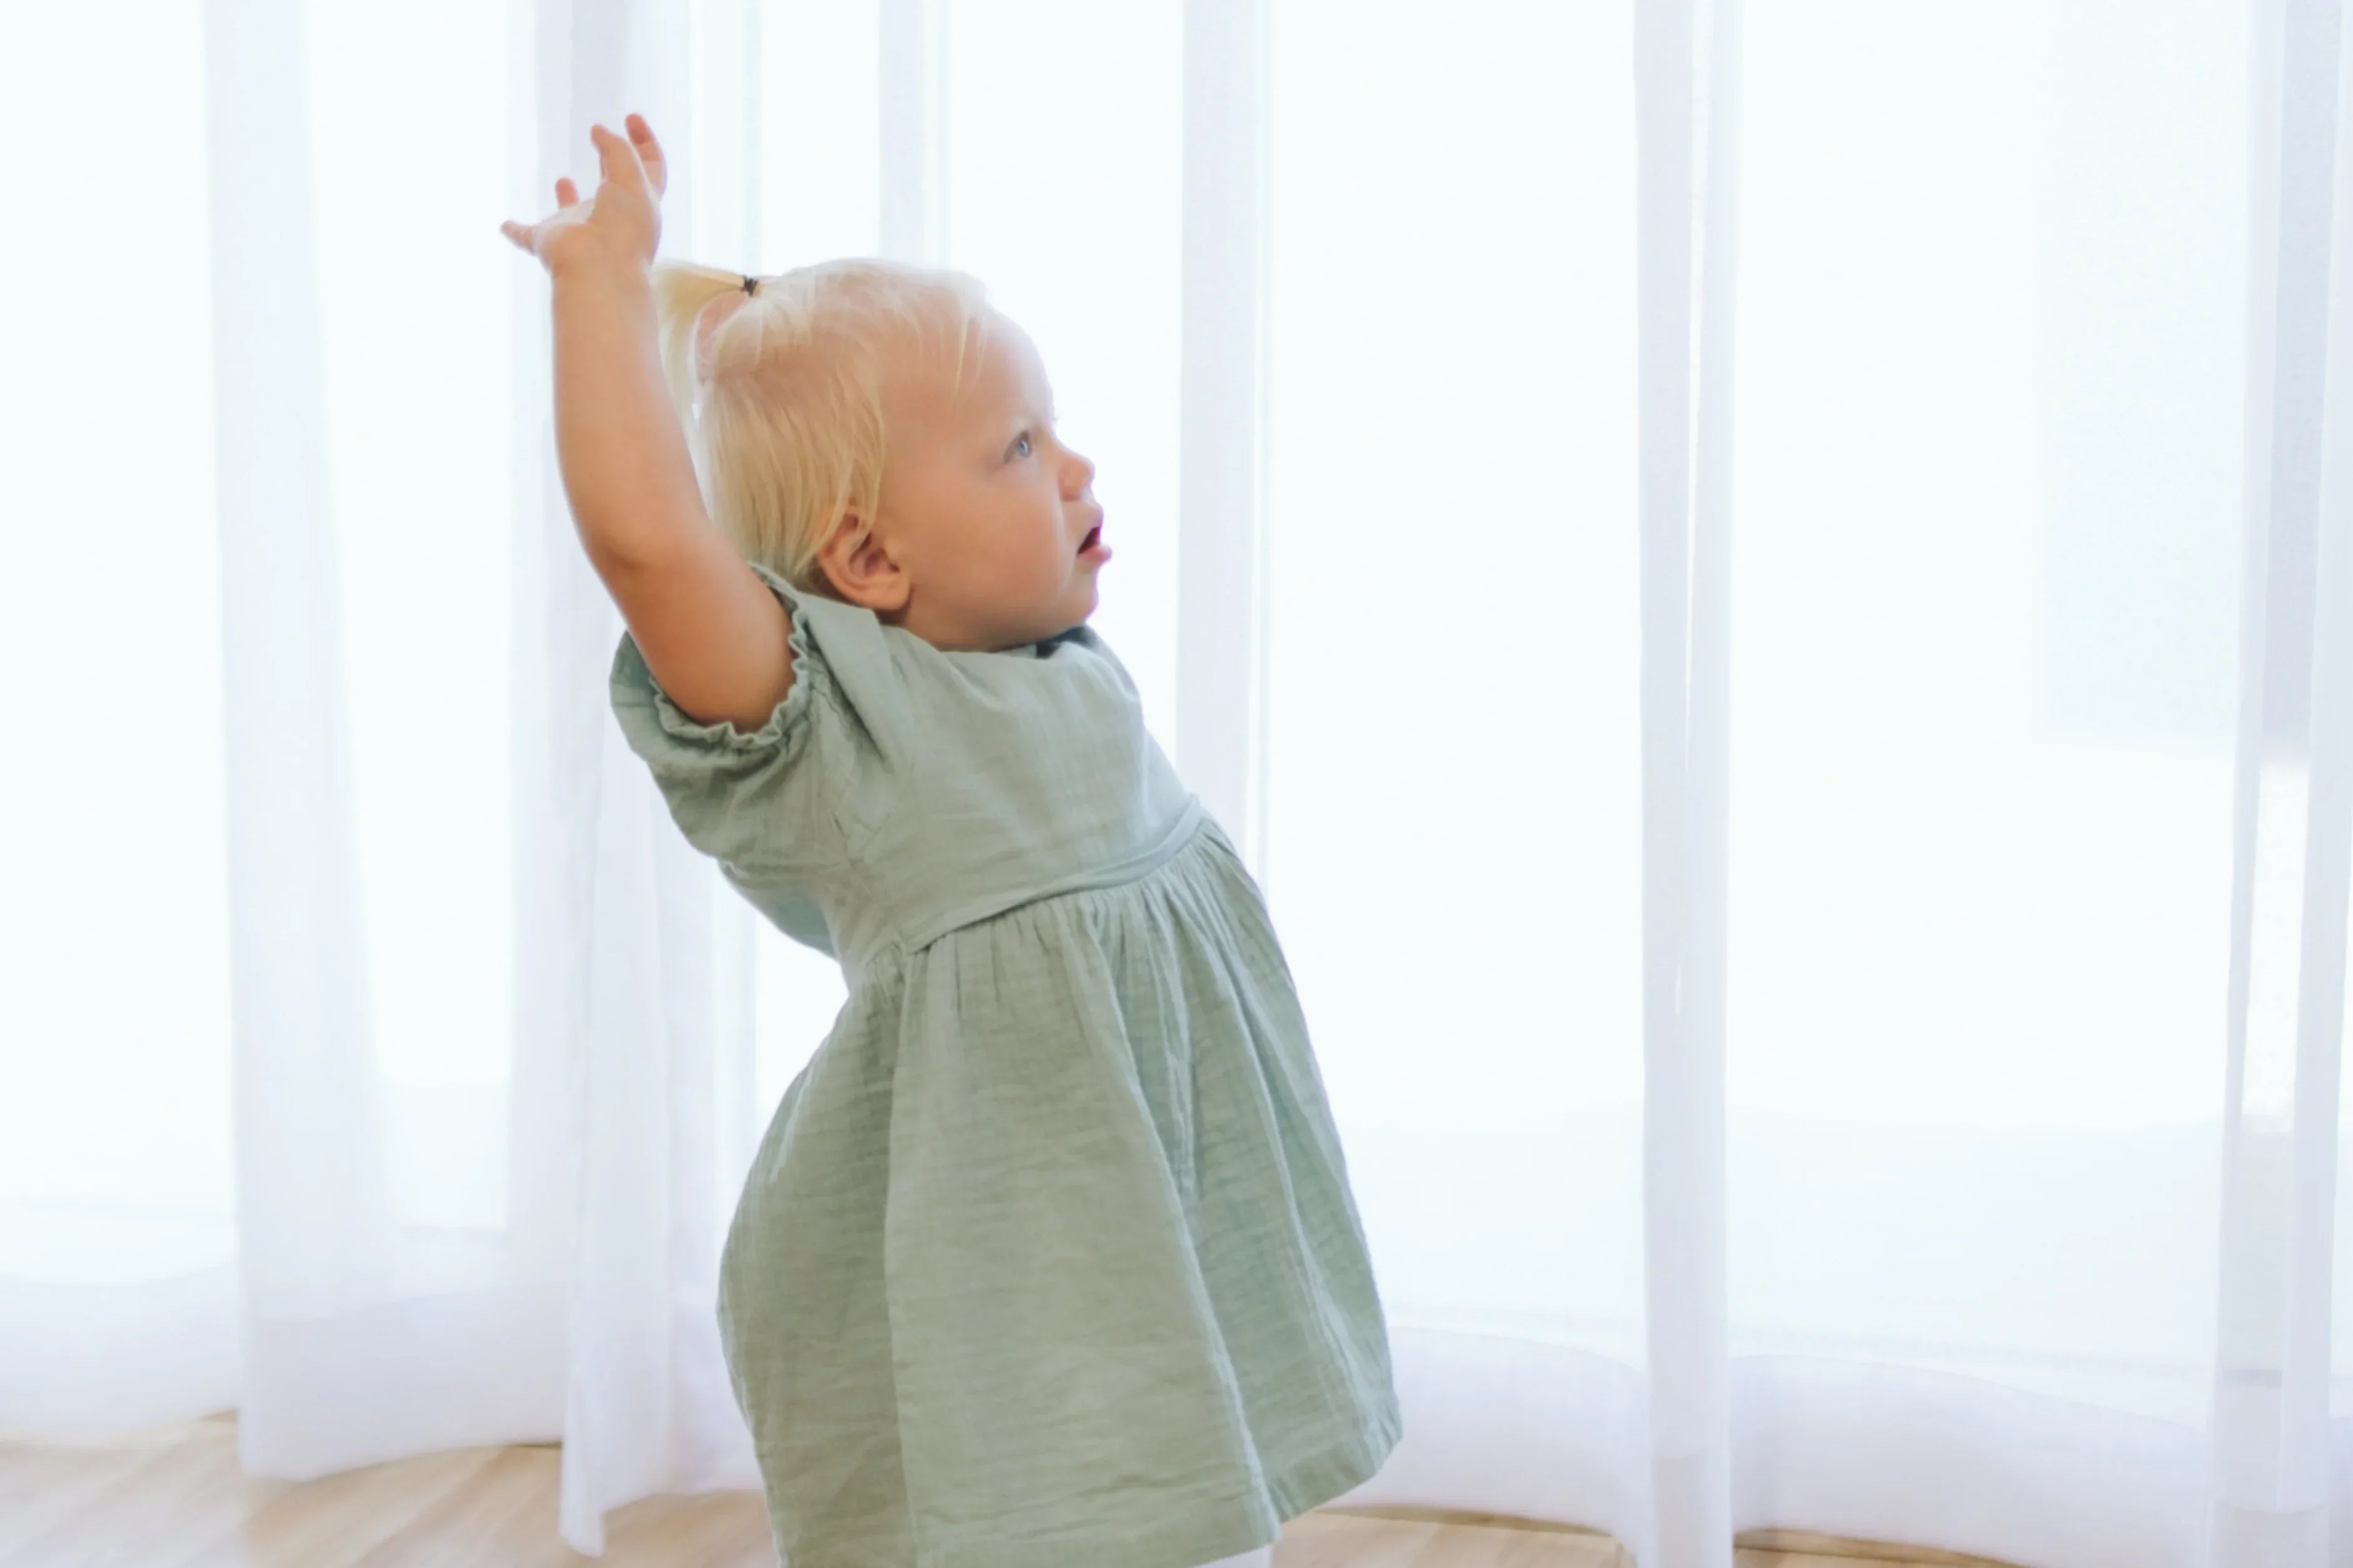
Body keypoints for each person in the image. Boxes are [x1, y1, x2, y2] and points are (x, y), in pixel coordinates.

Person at [502, 113, 1401, 1568]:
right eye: (1019, 445)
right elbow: (653, 547)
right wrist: (600, 289)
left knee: (1189, 1502)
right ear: (869, 557)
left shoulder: (1055, 665)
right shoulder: (837, 728)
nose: (1073, 465)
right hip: (1014, 1295)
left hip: (1147, 1257)